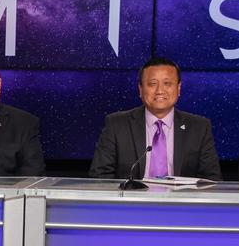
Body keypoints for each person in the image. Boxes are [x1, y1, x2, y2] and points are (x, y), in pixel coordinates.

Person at [88, 57, 222, 180]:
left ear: (179, 88)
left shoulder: (199, 127)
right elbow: (99, 177)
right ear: (140, 89)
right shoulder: (116, 125)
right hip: (132, 198)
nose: (159, 91)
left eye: (167, 83)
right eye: (152, 84)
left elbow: (211, 180)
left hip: (181, 198)